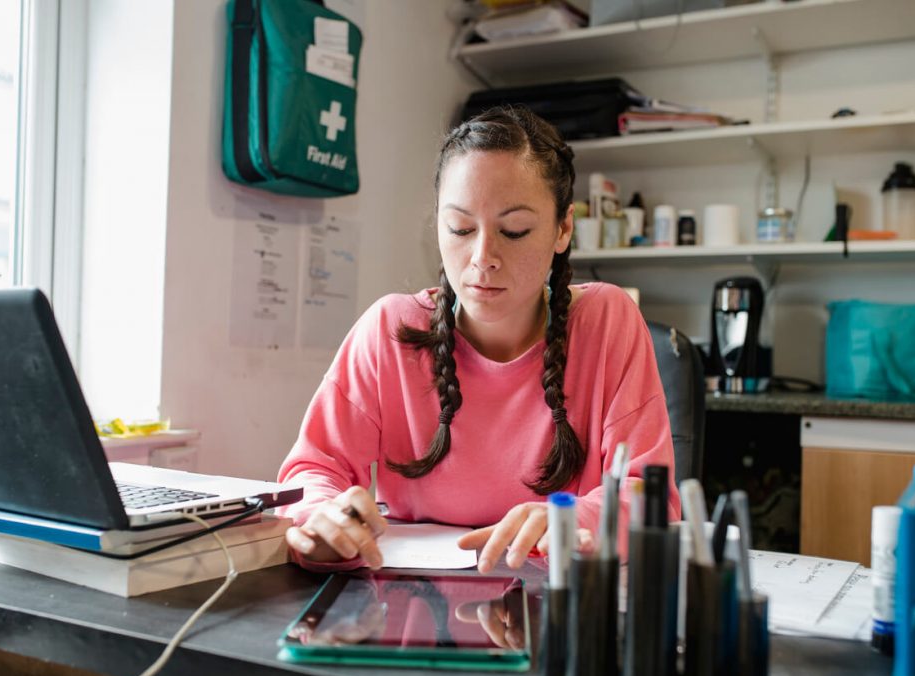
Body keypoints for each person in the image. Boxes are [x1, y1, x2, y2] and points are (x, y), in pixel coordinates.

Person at [278, 106, 680, 573]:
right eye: (461, 229)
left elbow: (649, 496)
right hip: (413, 605)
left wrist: (570, 518)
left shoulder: (607, 321)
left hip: (558, 604)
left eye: (514, 231)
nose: (482, 257)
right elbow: (310, 473)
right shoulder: (389, 330)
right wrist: (320, 516)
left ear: (563, 229)